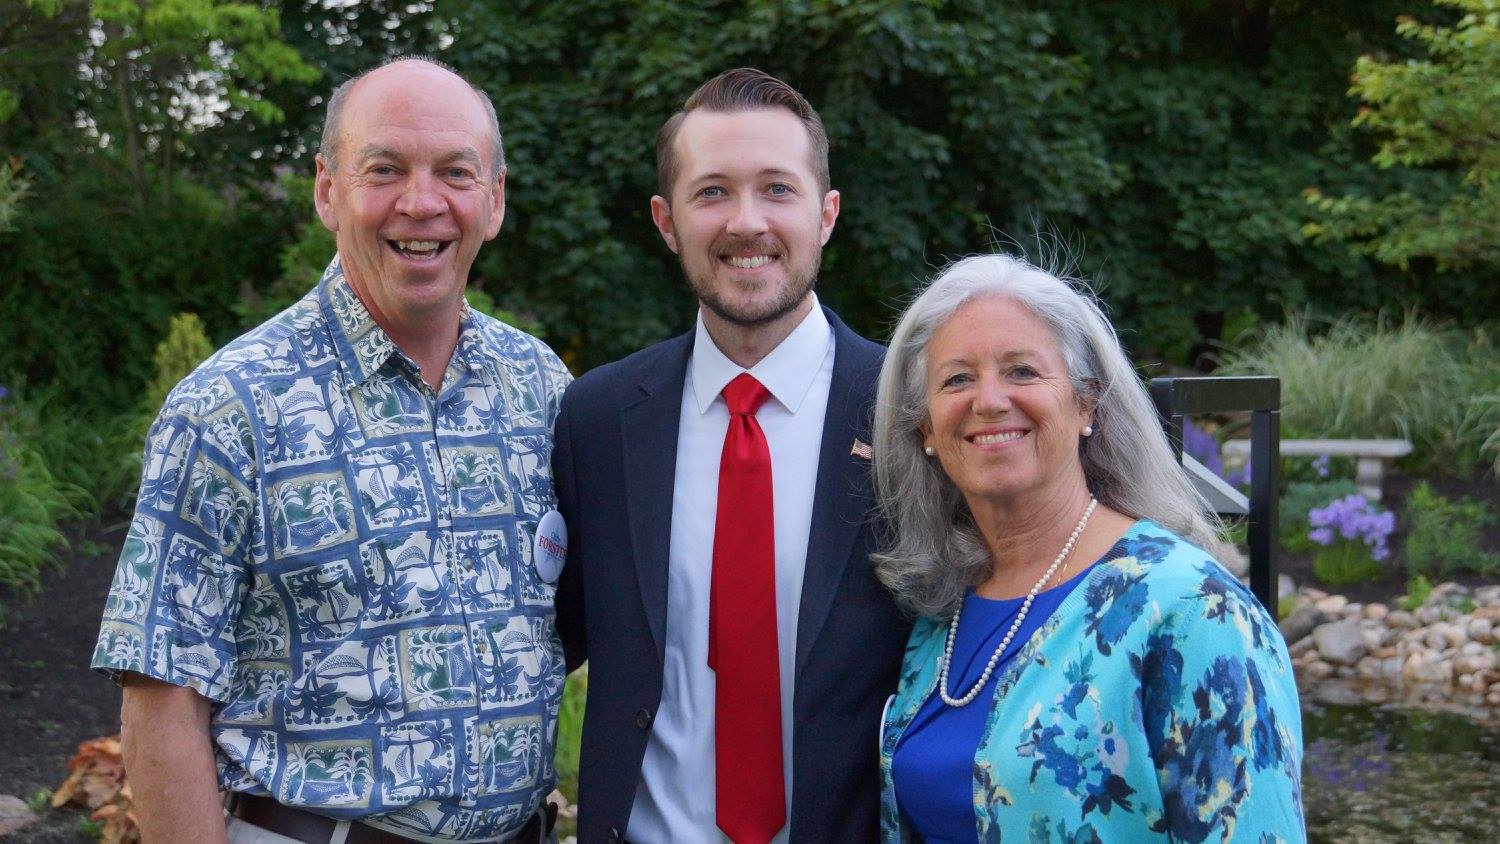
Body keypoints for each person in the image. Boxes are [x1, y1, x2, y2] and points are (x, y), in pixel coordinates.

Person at [92, 57, 571, 844]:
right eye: (384, 169)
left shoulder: (541, 388)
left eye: (455, 172)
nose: (421, 204)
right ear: (327, 190)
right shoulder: (230, 407)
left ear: (494, 201)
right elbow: (161, 691)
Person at [552, 68, 909, 843]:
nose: (746, 222)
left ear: (826, 213)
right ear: (667, 220)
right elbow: (555, 633)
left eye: (777, 189)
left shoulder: (911, 411)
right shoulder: (600, 420)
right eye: (712, 192)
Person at [872, 254, 1304, 842]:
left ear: (1086, 404)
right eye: (957, 379)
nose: (990, 400)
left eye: (1022, 371)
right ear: (925, 429)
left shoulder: (1194, 610)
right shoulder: (938, 613)